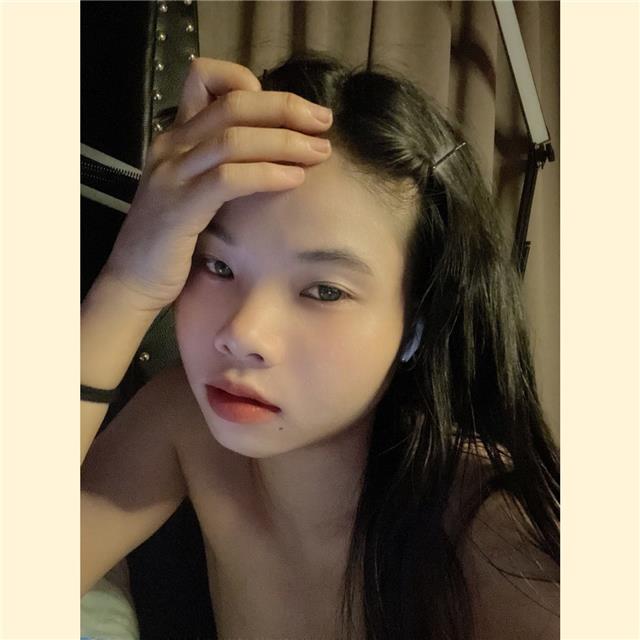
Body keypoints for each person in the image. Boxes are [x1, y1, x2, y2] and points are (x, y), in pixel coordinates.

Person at [81, 51, 560, 640]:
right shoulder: (182, 421)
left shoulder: (493, 533)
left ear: (417, 325)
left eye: (325, 290)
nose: (243, 334)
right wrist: (129, 282)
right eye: (217, 265)